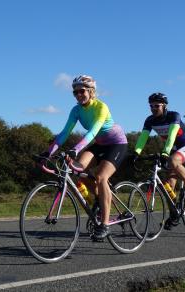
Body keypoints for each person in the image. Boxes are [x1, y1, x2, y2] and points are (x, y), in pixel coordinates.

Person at [41, 75, 128, 240]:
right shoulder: (76, 110)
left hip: (117, 144)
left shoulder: (101, 107)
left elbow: (93, 132)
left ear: (91, 91)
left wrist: (75, 149)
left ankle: (104, 224)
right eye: (75, 92)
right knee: (78, 168)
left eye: (82, 91)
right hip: (100, 144)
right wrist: (49, 152)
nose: (78, 95)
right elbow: (65, 132)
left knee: (101, 176)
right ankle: (98, 200)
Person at [134, 92, 185, 230]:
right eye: (151, 106)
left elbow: (172, 135)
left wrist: (165, 152)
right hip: (173, 150)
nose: (153, 108)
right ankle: (175, 212)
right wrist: (136, 152)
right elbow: (143, 137)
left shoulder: (173, 116)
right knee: (168, 186)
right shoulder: (150, 120)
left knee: (174, 161)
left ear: (164, 106)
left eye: (156, 105)